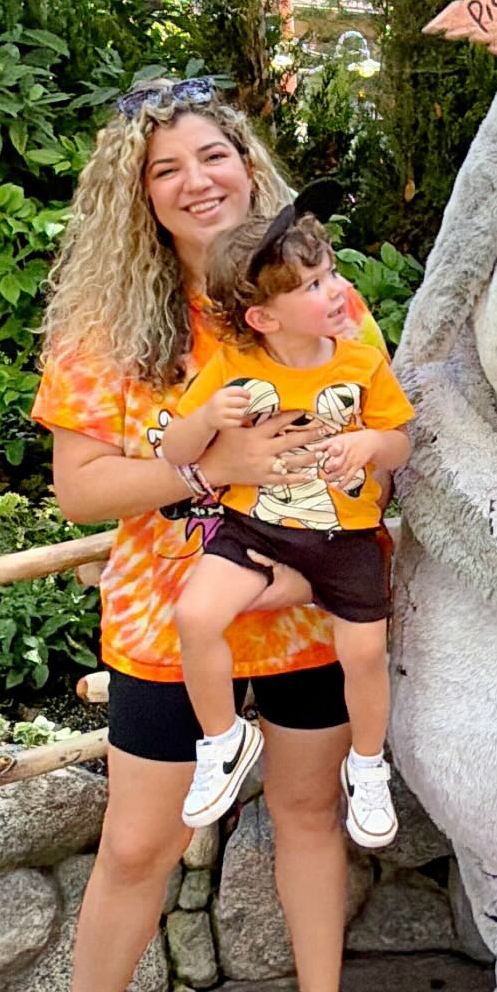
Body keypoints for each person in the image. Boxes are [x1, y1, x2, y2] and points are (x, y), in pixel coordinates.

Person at [0, 78, 392, 992]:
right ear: (140, 198)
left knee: (309, 813)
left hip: (303, 603)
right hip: (174, 616)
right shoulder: (111, 324)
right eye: (167, 169)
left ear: (249, 163)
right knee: (134, 844)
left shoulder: (319, 290)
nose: (196, 180)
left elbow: (381, 430)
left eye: (213, 155)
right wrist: (199, 464)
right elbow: (80, 491)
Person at [164, 201, 412, 849]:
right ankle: (223, 738)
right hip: (255, 526)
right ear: (263, 317)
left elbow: (401, 444)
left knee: (362, 655)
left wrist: (369, 448)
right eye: (312, 286)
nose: (334, 293)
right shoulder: (234, 370)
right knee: (194, 616)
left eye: (329, 275)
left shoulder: (359, 362)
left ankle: (367, 764)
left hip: (347, 536)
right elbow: (176, 452)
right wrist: (208, 416)